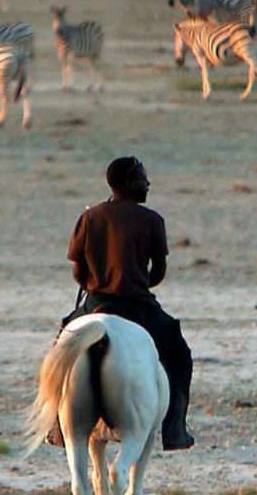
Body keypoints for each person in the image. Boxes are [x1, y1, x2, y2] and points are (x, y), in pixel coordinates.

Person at [59, 157, 195, 451]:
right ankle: (175, 428)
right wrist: (138, 281)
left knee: (60, 346)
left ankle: (57, 426)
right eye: (143, 180)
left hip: (96, 300)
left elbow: (77, 271)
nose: (148, 185)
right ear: (130, 184)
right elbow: (158, 271)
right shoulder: (152, 220)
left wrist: (96, 282)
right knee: (178, 353)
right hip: (138, 305)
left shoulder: (89, 217)